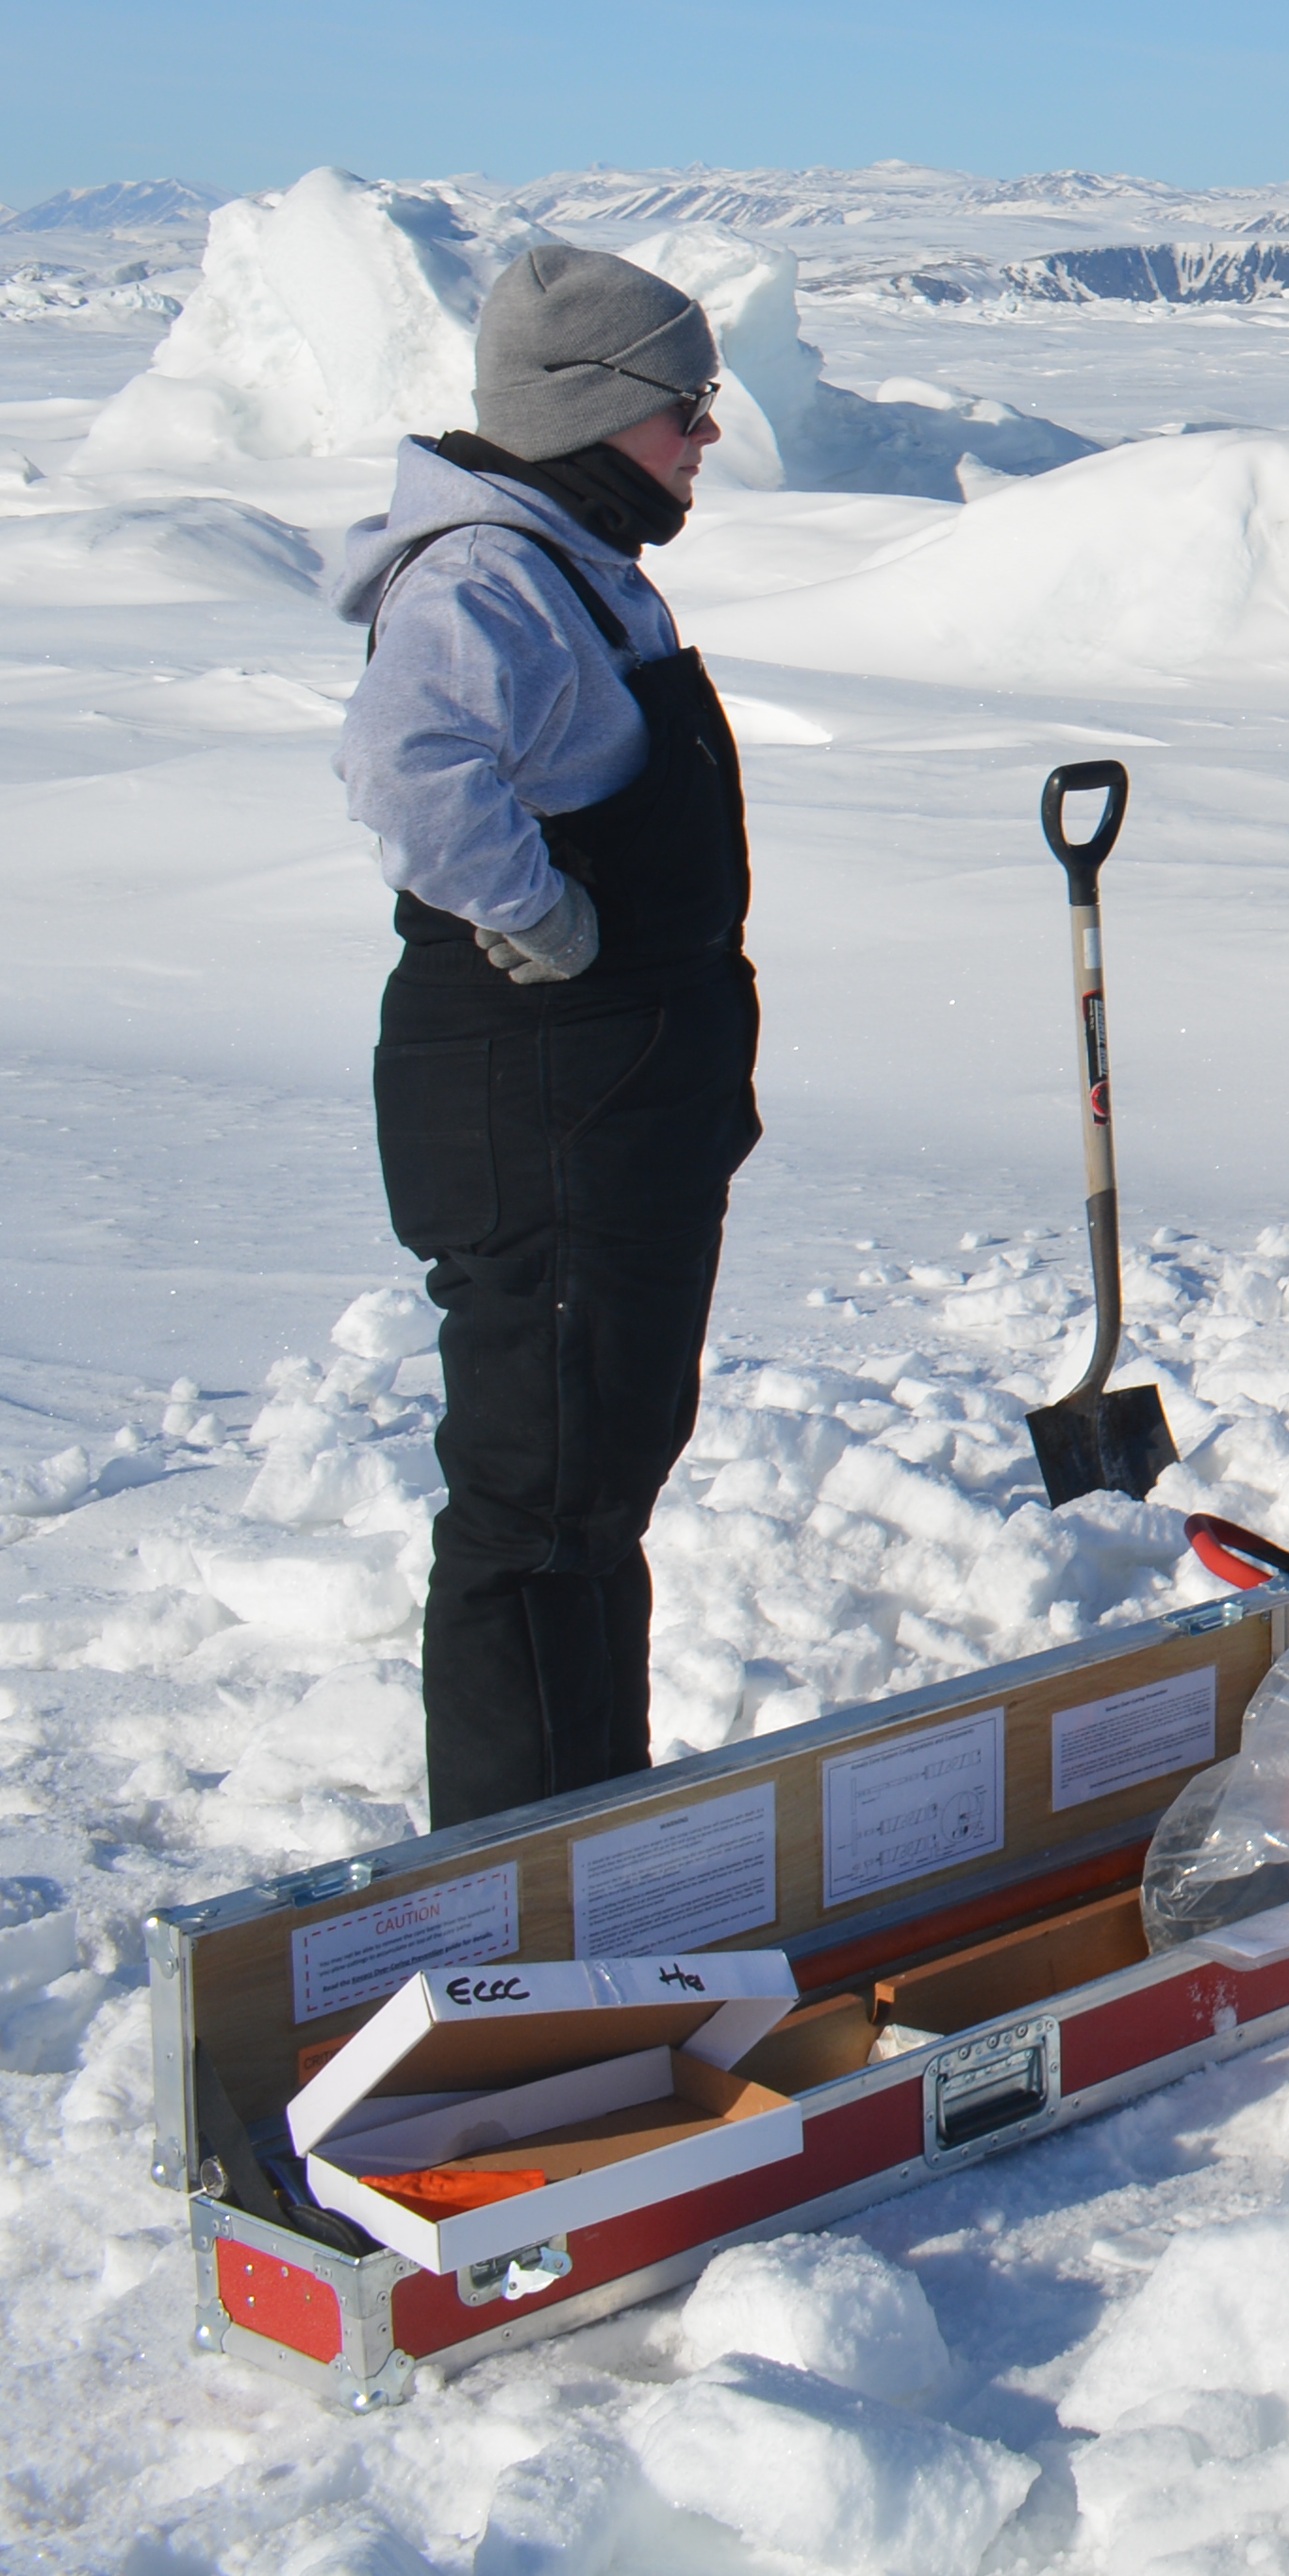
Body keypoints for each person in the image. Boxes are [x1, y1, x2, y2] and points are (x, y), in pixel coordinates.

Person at [331, 246, 761, 1826]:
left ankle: (591, 1837)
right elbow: (408, 767)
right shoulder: (482, 577)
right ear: (591, 411)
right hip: (544, 1107)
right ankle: (514, 1892)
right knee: (536, 1506)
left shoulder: (571, 557)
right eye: (686, 409)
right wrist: (539, 917)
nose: (705, 438)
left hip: (618, 1107)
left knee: (593, 1495)